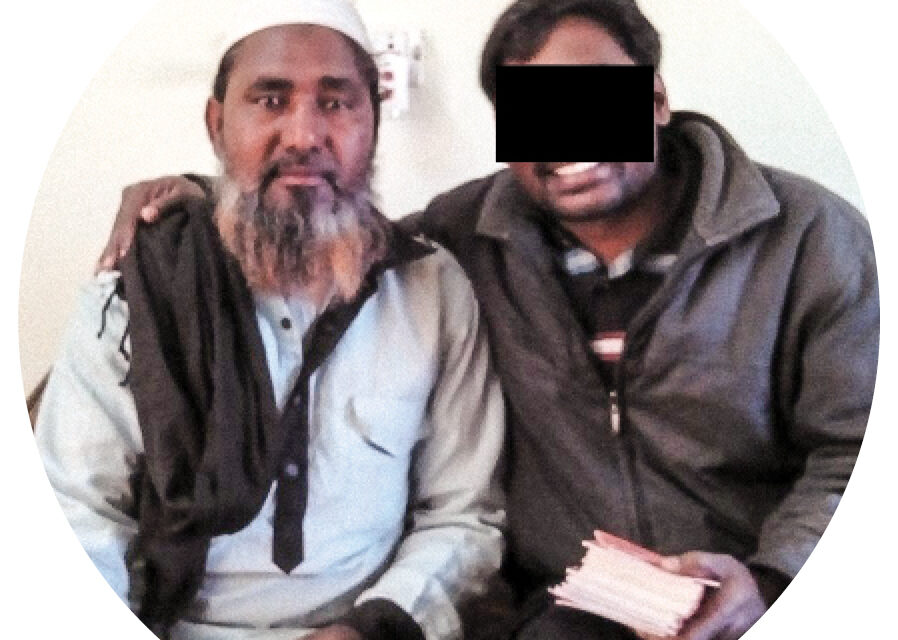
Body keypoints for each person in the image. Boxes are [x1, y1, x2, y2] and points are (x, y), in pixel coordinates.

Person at [97, 0, 878, 638]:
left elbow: (860, 448)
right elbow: (314, 213)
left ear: (657, 100)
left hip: (763, 590)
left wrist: (774, 578)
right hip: (572, 608)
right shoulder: (466, 240)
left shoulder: (808, 236)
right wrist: (197, 208)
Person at [34, 2, 506, 639]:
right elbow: (76, 517)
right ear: (217, 123)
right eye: (270, 100)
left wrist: (373, 627)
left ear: (374, 123)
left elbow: (463, 513)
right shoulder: (141, 290)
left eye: (336, 102)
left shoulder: (433, 286)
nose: (305, 135)